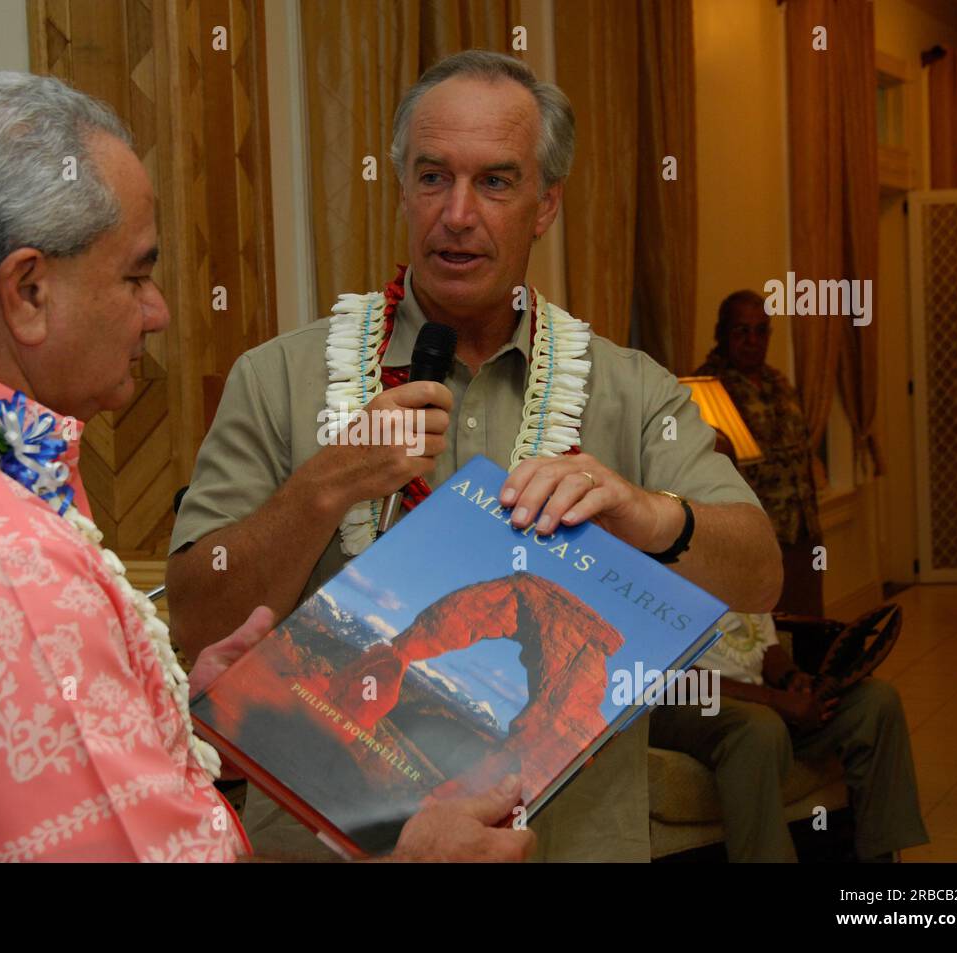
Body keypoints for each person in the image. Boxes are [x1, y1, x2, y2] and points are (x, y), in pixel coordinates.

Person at [0, 70, 532, 863]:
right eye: (135, 274)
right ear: (27, 291)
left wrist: (164, 708)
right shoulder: (0, 563)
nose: (157, 310)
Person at [167, 50, 782, 862]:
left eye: (495, 182)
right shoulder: (279, 377)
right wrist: (324, 487)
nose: (457, 214)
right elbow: (195, 615)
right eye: (432, 178)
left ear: (545, 204)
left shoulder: (631, 390)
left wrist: (645, 511)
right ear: (401, 188)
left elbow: (761, 571)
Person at [648, 610, 929, 862]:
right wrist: (772, 699)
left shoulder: (737, 564)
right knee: (759, 727)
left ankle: (881, 856)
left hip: (758, 699)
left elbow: (765, 642)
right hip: (682, 702)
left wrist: (791, 679)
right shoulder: (652, 568)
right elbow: (669, 674)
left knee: (876, 701)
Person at [695, 291, 823, 616]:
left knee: (808, 624)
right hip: (753, 537)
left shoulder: (779, 382)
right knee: (766, 636)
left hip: (801, 531)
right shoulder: (705, 388)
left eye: (761, 330)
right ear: (721, 333)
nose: (752, 340)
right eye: (741, 330)